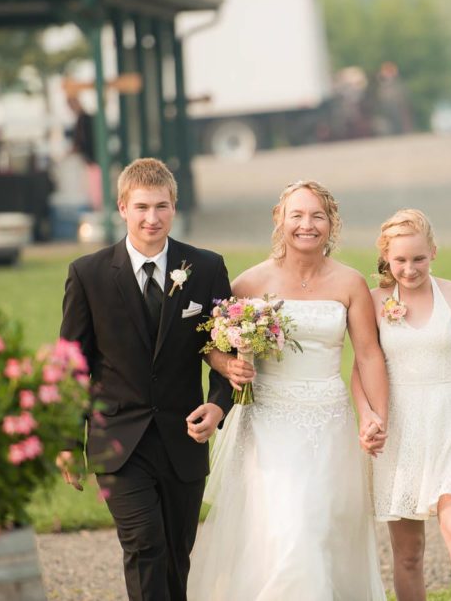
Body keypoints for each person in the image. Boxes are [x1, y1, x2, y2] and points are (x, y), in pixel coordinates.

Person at [57, 157, 253, 601]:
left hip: (184, 438)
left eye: (162, 207)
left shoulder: (205, 268)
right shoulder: (87, 275)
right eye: (142, 207)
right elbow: (71, 363)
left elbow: (224, 347)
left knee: (176, 553)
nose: (152, 218)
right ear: (122, 207)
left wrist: (219, 403)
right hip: (117, 439)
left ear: (174, 207)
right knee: (145, 543)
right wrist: (68, 440)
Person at [188, 180, 389, 600]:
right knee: (288, 527)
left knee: (322, 527)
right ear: (279, 220)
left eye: (317, 216)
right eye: (296, 214)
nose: (307, 225)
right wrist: (230, 364)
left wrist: (376, 416)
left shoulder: (350, 283)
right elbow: (211, 347)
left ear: (331, 224)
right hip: (268, 424)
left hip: (329, 422)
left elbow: (369, 356)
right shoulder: (247, 284)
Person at [367, 209, 451, 601]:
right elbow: (363, 367)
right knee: (408, 553)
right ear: (386, 258)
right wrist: (369, 416)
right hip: (401, 430)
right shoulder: (375, 302)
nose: (409, 269)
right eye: (400, 260)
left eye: (419, 259)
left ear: (434, 252)